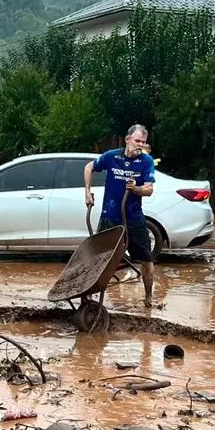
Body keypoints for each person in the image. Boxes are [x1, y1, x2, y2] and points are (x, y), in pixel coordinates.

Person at [83, 125, 159, 307]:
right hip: (110, 217)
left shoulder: (146, 161)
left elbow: (149, 189)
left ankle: (149, 298)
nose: (140, 145)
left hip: (133, 218)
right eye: (137, 141)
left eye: (143, 142)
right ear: (127, 140)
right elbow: (88, 167)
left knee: (147, 259)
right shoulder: (112, 156)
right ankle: (92, 298)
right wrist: (87, 192)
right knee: (99, 258)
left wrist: (136, 189)